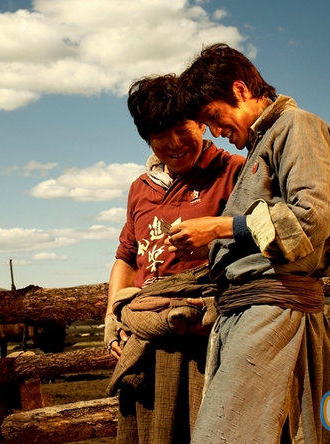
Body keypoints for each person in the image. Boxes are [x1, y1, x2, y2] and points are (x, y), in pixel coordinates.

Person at [167, 43, 330, 444]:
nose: (218, 133)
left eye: (214, 118)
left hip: (273, 313)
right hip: (253, 311)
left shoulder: (298, 126)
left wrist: (221, 228)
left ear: (240, 90)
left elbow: (310, 219)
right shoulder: (265, 141)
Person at [104, 73, 245, 444]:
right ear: (148, 138)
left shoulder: (232, 173)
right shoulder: (140, 188)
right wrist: (112, 318)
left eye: (182, 127)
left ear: (201, 122)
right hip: (148, 340)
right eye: (160, 134)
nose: (174, 143)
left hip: (207, 340)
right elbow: (126, 257)